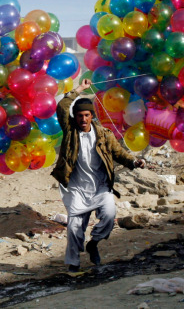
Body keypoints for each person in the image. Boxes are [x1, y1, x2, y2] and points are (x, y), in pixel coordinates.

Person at [51, 79, 146, 273]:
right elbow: (62, 105)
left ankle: (94, 243)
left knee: (110, 216)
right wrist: (80, 89)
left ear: (91, 116)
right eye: (79, 116)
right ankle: (73, 263)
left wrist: (133, 162)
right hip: (76, 187)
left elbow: (119, 153)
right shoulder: (70, 132)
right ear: (75, 117)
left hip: (100, 186)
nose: (83, 119)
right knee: (74, 227)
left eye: (86, 115)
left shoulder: (104, 134)